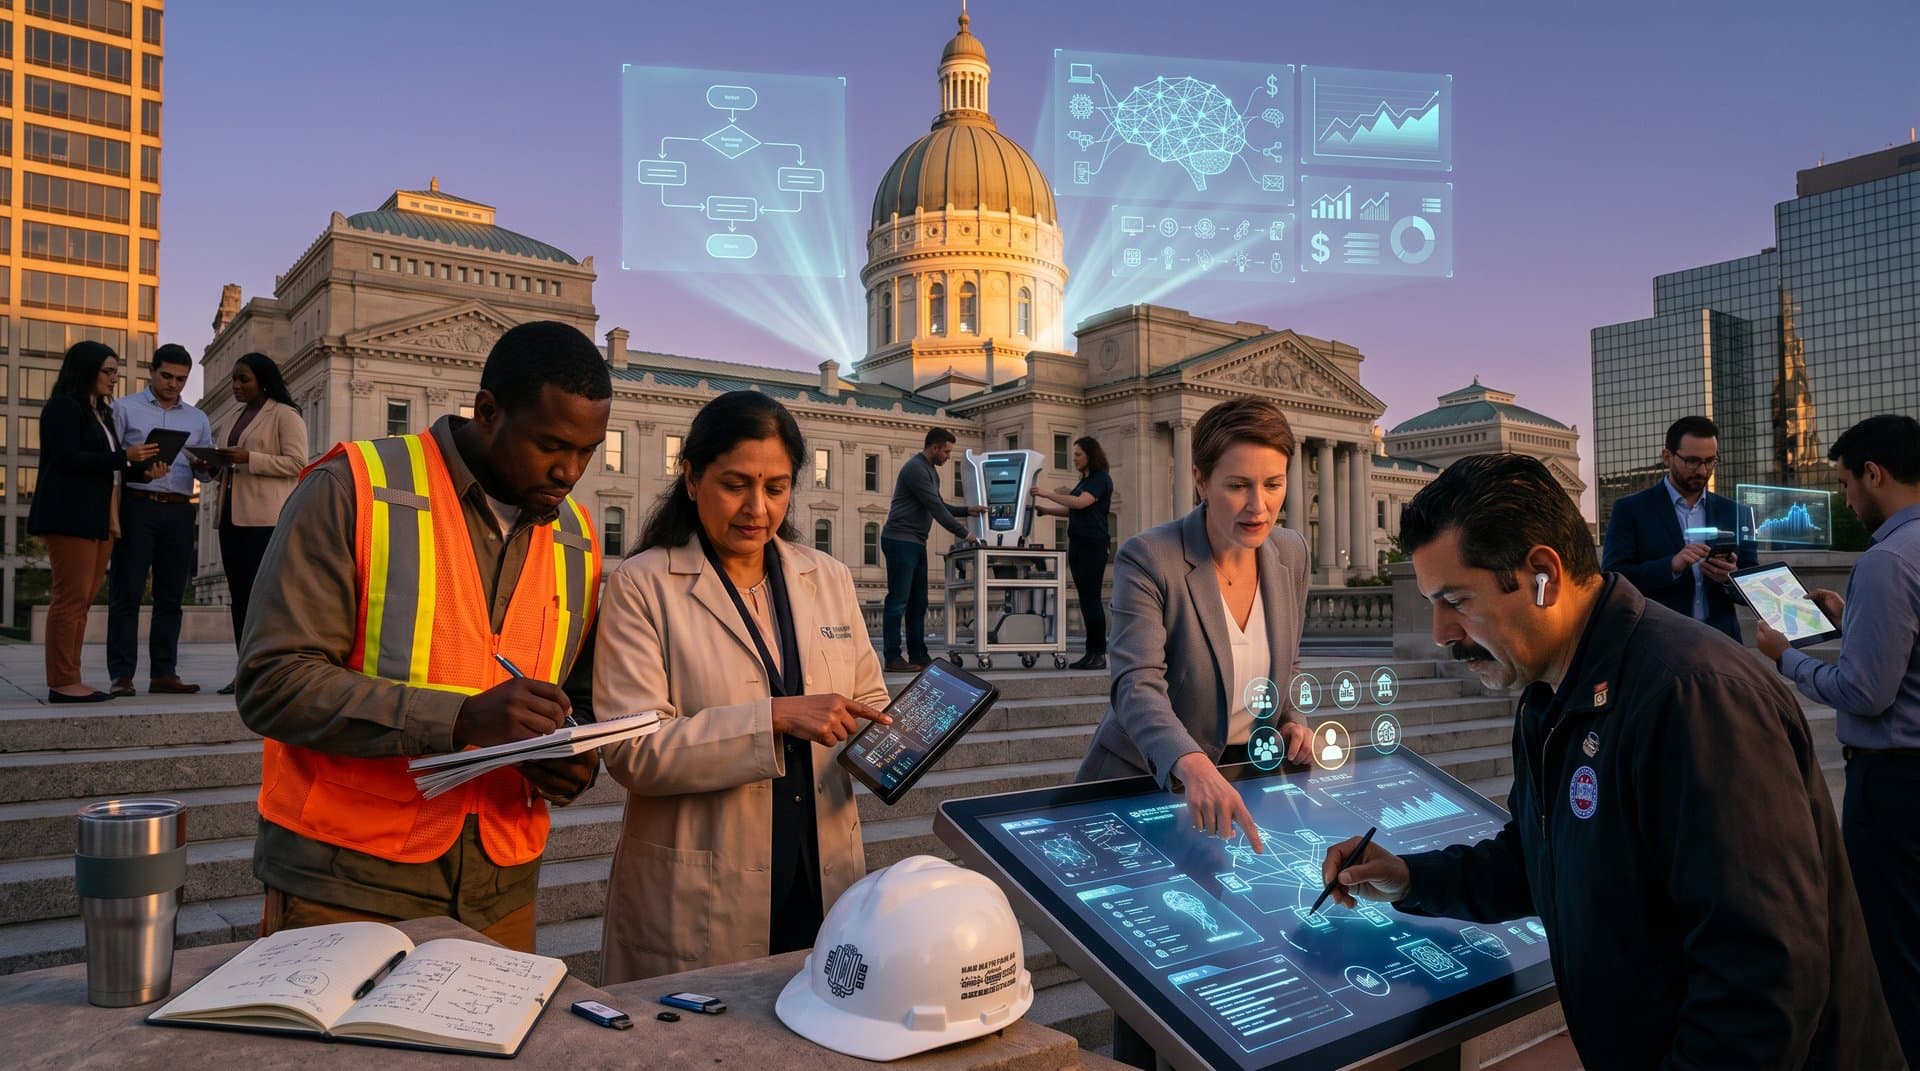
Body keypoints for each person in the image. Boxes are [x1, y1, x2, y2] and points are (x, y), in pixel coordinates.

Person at [1320, 453, 1900, 1069]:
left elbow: (1760, 979)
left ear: (1543, 574)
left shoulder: (1692, 695)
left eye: (1456, 600)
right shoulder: (1547, 691)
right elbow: (1540, 857)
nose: (1440, 631)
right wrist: (1410, 879)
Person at [236, 321, 609, 952]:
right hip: (345, 881)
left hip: (502, 887)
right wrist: (459, 719)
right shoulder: (352, 487)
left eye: (587, 450)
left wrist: (574, 758)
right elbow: (272, 682)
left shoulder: (576, 535)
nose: (569, 471)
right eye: (550, 444)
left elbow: (579, 697)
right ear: (487, 411)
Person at [594, 391, 891, 983]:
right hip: (703, 884)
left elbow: (870, 701)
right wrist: (774, 717)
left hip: (819, 867)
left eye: (776, 488)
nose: (757, 508)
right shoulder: (642, 585)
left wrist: (902, 740)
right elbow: (631, 750)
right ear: (691, 477)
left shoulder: (826, 576)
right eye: (736, 484)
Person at [1074, 398, 1314, 1070]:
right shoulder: (1148, 556)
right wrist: (1187, 761)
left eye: (1273, 484)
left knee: (1235, 973)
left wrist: (1292, 718)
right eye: (1238, 484)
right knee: (1154, 982)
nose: (1257, 505)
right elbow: (1135, 688)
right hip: (1145, 789)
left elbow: (1282, 666)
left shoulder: (1290, 552)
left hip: (1243, 789)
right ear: (1201, 479)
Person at [1756, 414, 1920, 1064]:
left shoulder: (1885, 560)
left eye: (1848, 483)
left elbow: (1864, 692)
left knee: (1894, 946)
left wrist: (1784, 656)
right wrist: (1850, 617)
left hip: (1894, 785)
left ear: (1874, 473)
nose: (1847, 498)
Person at [29, 342, 164, 704]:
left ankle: (71, 677)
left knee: (83, 601)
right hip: (69, 515)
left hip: (100, 517)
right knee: (69, 599)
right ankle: (62, 681)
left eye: (116, 372)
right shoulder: (63, 407)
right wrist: (125, 456)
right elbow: (67, 458)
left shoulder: (101, 414)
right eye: (108, 371)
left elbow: (106, 464)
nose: (114, 379)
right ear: (85, 369)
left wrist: (142, 470)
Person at [108, 343, 214, 696]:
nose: (173, 384)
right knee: (128, 592)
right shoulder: (124, 409)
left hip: (181, 508)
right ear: (152, 372)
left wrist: (205, 467)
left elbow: (208, 473)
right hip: (137, 505)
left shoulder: (197, 418)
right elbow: (113, 463)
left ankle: (163, 673)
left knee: (171, 596)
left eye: (181, 379)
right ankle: (121, 676)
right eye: (167, 376)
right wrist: (139, 466)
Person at [1600, 415, 1755, 641]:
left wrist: (1730, 578)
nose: (1702, 471)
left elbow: (1753, 584)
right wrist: (1671, 566)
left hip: (1722, 644)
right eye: (1692, 461)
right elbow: (1614, 578)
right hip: (1657, 644)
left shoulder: (1736, 512)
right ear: (1667, 457)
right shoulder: (1630, 510)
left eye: (1710, 460)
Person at [212, 353, 309, 695]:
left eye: (243, 380)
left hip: (265, 520)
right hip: (230, 517)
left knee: (263, 599)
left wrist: (249, 458)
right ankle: (244, 672)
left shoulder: (285, 414)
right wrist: (212, 465)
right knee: (240, 598)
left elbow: (298, 462)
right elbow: (229, 460)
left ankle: (270, 673)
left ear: (263, 381)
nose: (236, 386)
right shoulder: (233, 417)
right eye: (234, 380)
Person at [879, 427, 986, 673]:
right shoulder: (916, 469)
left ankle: (919, 655)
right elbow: (936, 509)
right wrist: (967, 535)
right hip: (900, 540)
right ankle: (893, 657)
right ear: (934, 447)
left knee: (919, 602)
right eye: (946, 451)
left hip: (916, 542)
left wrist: (967, 510)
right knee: (898, 601)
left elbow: (939, 504)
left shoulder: (930, 471)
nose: (948, 457)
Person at [1035, 435, 1114, 669]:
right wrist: (1047, 511)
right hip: (1078, 544)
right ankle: (1091, 653)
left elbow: (1080, 503)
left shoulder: (1100, 479)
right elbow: (1074, 510)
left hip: (1093, 545)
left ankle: (1098, 653)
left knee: (1091, 599)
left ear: (1090, 455)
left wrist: (1047, 493)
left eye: (1078, 454)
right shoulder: (1084, 481)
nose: (1074, 458)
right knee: (1085, 600)